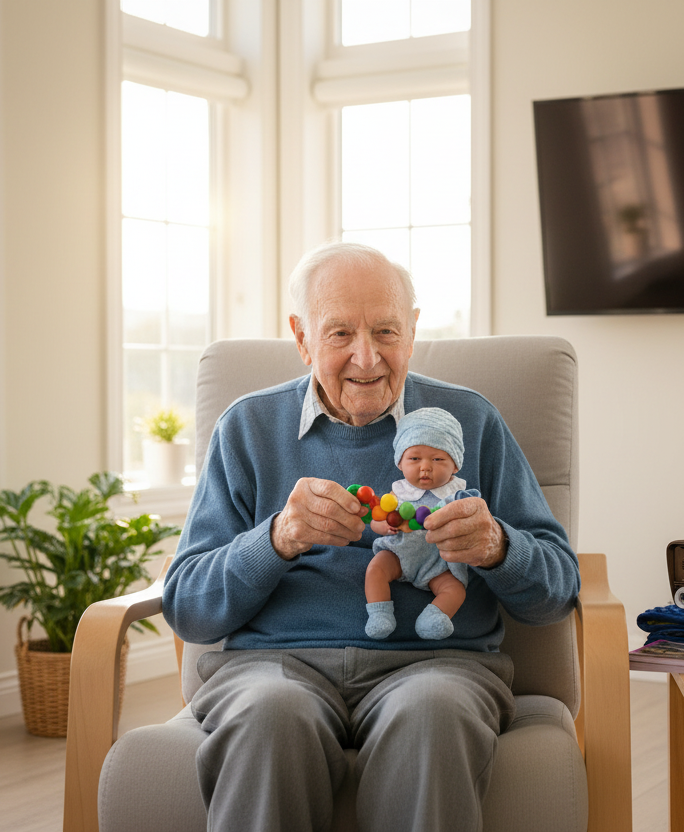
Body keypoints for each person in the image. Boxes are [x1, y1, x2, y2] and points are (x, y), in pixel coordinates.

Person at [162, 241, 580, 832]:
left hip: (438, 665)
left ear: (411, 331)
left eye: (386, 331)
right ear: (302, 337)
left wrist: (498, 547)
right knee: (271, 715)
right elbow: (188, 609)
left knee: (431, 713)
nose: (367, 358)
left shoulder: (474, 422)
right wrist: (277, 537)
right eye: (339, 334)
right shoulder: (248, 427)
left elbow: (558, 589)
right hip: (273, 669)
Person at [364, 407, 475, 641]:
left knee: (455, 589)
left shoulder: (458, 495)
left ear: (455, 466)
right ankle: (380, 614)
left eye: (437, 459)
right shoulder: (398, 493)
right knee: (375, 569)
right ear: (400, 463)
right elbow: (377, 520)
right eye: (414, 458)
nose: (425, 467)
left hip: (438, 562)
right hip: (399, 552)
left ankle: (433, 618)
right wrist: (384, 527)